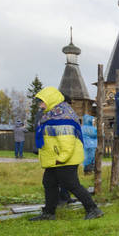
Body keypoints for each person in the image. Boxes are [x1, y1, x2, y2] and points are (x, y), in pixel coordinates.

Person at [28, 86, 103, 221]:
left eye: (42, 101)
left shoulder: (63, 116)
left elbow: (67, 141)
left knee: (71, 184)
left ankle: (93, 209)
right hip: (56, 158)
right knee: (49, 182)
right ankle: (49, 213)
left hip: (64, 159)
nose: (41, 105)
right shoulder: (52, 114)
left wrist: (61, 158)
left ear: (51, 100)